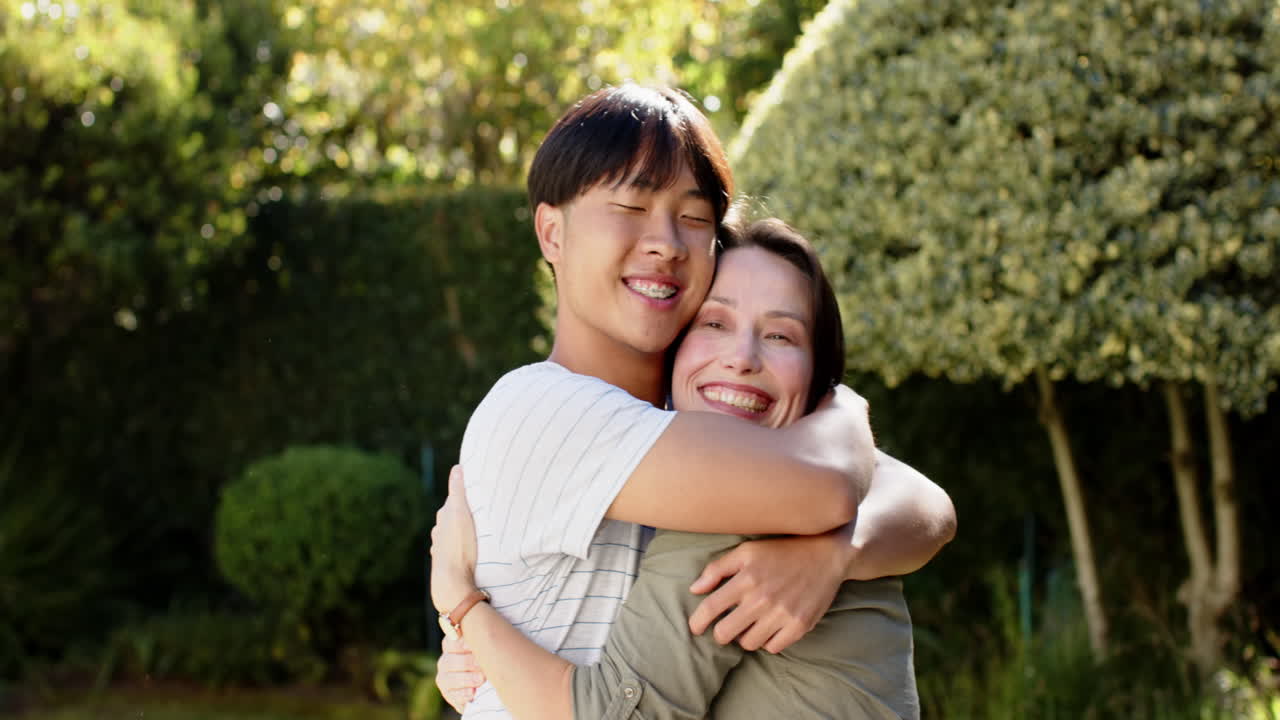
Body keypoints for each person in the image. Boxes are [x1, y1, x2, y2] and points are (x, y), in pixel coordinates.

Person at [431, 84, 955, 719]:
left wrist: (833, 555)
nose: (666, 243)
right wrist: (842, 410)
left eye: (695, 218)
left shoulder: (695, 429)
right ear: (552, 232)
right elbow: (830, 482)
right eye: (629, 205)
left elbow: (922, 502)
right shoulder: (542, 408)